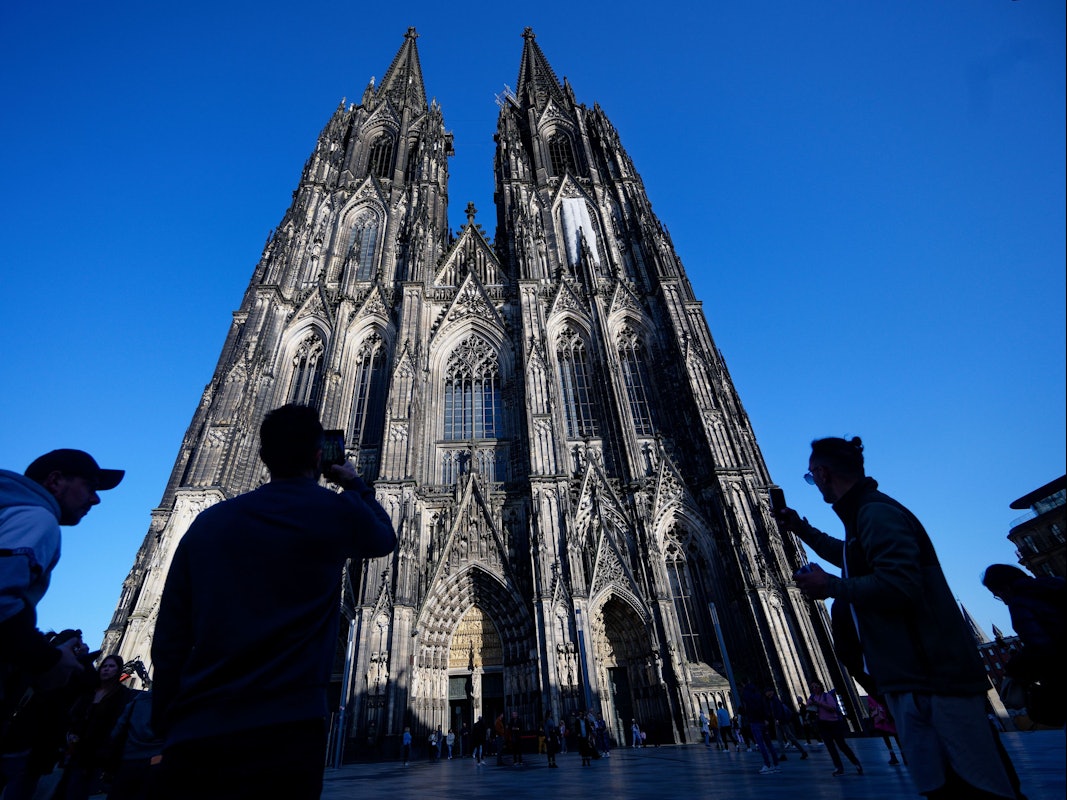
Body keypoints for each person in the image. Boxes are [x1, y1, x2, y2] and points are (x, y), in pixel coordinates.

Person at [150, 404, 396, 800]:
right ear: (320, 457)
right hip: (287, 727)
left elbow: (169, 635)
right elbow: (385, 537)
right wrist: (353, 482)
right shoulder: (333, 513)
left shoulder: (207, 523)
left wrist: (165, 719)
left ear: (263, 457)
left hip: (200, 728)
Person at [780, 436, 1017, 799]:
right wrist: (802, 529)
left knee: (978, 787)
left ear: (825, 473)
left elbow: (900, 586)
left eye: (811, 477)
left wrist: (830, 586)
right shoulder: (864, 515)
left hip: (933, 678)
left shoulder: (876, 513)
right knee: (945, 787)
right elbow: (851, 555)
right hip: (915, 679)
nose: (814, 484)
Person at [2, 450, 124, 715]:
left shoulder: (9, 510)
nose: (96, 499)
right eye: (89, 487)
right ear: (55, 481)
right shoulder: (36, 518)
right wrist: (48, 661)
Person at [981, 563, 1065, 726]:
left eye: (997, 594)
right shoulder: (1057, 585)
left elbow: (1039, 645)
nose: (1003, 601)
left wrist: (1015, 667)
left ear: (1005, 587)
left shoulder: (1020, 603)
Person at [60, 654, 134, 800]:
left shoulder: (121, 695)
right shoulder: (90, 692)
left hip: (98, 754)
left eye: (111, 666)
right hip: (76, 749)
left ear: (118, 670)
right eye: (104, 666)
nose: (106, 669)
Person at [106, 689, 164, 800]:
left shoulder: (138, 700)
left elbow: (117, 730)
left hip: (128, 759)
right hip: (155, 761)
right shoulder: (176, 702)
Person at [806, 680, 862, 777]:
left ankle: (856, 763)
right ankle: (838, 767)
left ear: (820, 686)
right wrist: (810, 704)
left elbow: (833, 708)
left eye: (816, 686)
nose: (814, 689)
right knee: (831, 748)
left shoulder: (827, 696)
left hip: (833, 723)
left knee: (842, 746)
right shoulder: (812, 697)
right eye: (812, 687)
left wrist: (820, 704)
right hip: (822, 724)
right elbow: (808, 708)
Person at [741, 680, 779, 774]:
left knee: (761, 744)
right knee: (769, 744)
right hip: (763, 722)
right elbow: (765, 707)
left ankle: (767, 765)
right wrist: (766, 718)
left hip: (755, 722)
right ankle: (776, 765)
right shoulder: (760, 695)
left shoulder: (747, 696)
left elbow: (748, 706)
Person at [767, 687, 808, 760]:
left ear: (771, 692)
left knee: (788, 737)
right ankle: (784, 754)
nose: (766, 694)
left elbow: (779, 711)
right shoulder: (772, 700)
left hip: (780, 721)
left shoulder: (775, 700)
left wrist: (778, 719)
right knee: (782, 738)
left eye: (767, 692)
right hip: (779, 721)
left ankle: (802, 751)